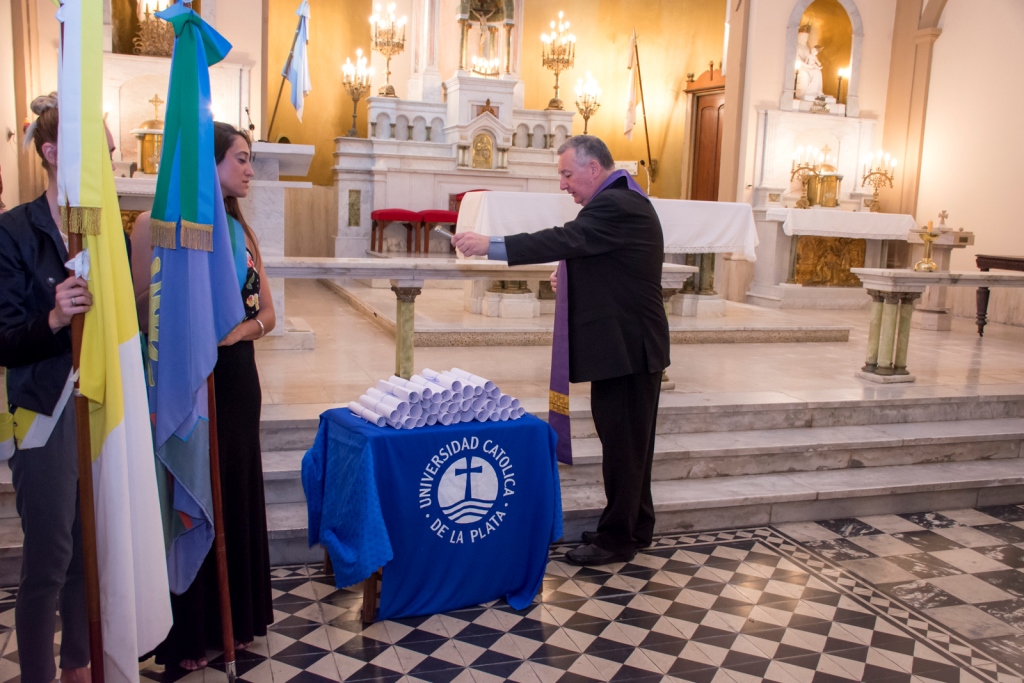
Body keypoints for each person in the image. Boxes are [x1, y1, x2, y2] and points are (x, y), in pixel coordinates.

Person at [451, 135, 669, 567]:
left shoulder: (615, 204)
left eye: (567, 174)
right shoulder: (623, 200)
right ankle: (636, 525)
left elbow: (566, 238)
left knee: (624, 447)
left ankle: (617, 539)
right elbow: (605, 259)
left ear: (593, 168)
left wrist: (491, 245)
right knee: (632, 445)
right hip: (630, 348)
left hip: (628, 351)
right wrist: (568, 275)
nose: (563, 184)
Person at [135, 122, 276, 671]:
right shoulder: (153, 225)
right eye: (240, 158)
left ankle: (234, 622)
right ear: (208, 163)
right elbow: (139, 309)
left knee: (233, 491)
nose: (250, 170)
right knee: (191, 494)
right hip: (184, 380)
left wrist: (237, 333)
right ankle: (189, 632)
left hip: (236, 379)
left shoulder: (243, 232)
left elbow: (268, 314)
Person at [0, 93, 119, 683]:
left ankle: (77, 667)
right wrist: (52, 318)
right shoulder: (13, 231)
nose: (111, 159)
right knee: (49, 560)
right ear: (52, 153)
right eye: (99, 148)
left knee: (85, 556)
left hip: (96, 403)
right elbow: (5, 339)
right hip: (44, 408)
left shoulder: (97, 227)